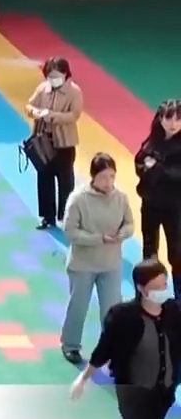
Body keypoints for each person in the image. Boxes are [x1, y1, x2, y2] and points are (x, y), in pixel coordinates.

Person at [73, 259, 181, 419]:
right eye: (157, 287)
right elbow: (104, 349)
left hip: (164, 392)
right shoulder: (123, 316)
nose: (163, 291)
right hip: (133, 395)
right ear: (142, 288)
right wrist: (84, 378)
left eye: (165, 285)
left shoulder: (174, 311)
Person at [62, 153, 135, 363]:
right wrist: (99, 239)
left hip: (110, 264)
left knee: (113, 310)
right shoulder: (78, 199)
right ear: (93, 176)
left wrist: (123, 233)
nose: (108, 182)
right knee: (78, 306)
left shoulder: (121, 198)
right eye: (103, 177)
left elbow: (130, 223)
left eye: (112, 176)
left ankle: (113, 349)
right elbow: (70, 232)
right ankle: (70, 344)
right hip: (83, 265)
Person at [25, 56, 83, 229]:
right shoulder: (43, 88)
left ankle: (67, 216)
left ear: (65, 74)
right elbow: (29, 105)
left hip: (64, 143)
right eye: (50, 76)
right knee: (44, 178)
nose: (53, 79)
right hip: (44, 141)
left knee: (66, 181)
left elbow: (74, 115)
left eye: (57, 76)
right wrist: (36, 113)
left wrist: (53, 116)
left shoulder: (74, 92)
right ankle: (47, 216)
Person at [135, 99, 181, 261]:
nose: (173, 124)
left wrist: (157, 168)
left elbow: (176, 175)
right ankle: (148, 277)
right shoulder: (152, 140)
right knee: (149, 248)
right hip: (150, 202)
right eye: (168, 118)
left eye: (178, 119)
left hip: (174, 207)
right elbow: (139, 163)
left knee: (176, 252)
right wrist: (147, 168)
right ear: (160, 118)